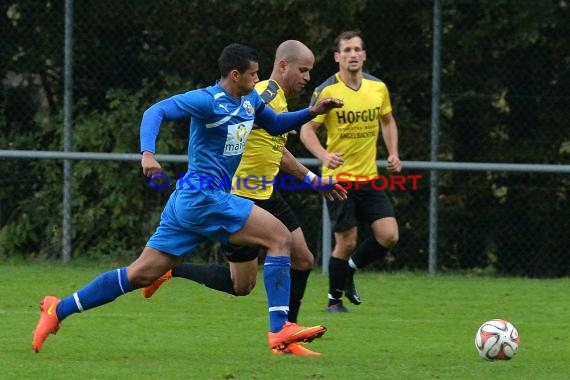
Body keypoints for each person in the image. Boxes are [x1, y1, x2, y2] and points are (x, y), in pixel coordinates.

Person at [33, 43, 344, 354]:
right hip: (203, 196)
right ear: (235, 75)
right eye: (253, 74)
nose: (258, 78)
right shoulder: (206, 100)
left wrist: (312, 112)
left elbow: (276, 124)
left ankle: (57, 310)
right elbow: (155, 111)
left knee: (140, 273)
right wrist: (148, 154)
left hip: (191, 201)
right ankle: (280, 330)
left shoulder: (249, 100)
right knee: (279, 237)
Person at [140, 40, 347, 356]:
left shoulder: (272, 99)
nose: (307, 78)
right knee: (243, 285)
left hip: (266, 194)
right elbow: (238, 129)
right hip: (241, 194)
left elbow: (277, 149)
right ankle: (170, 270)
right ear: (283, 66)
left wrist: (313, 179)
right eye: (303, 70)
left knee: (301, 259)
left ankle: (285, 336)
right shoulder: (260, 94)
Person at [300, 30, 401, 312]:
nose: (353, 54)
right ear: (337, 57)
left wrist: (393, 153)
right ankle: (334, 301)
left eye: (357, 49)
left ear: (364, 55)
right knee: (347, 242)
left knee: (389, 235)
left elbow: (388, 121)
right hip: (338, 180)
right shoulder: (327, 90)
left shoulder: (377, 88)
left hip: (369, 177)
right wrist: (323, 154)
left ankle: (351, 270)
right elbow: (306, 129)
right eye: (347, 50)